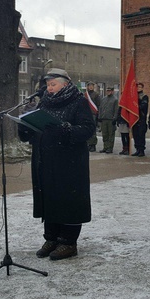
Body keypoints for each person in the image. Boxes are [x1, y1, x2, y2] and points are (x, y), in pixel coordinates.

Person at [18, 68, 95, 260]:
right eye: (48, 85)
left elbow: (88, 130)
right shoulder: (44, 102)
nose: (49, 88)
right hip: (46, 160)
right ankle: (51, 238)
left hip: (70, 162)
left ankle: (68, 242)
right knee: (50, 197)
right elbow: (40, 127)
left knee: (68, 199)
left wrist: (65, 130)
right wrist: (26, 126)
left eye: (53, 84)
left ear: (66, 84)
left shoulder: (79, 102)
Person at [98, 87, 118, 154]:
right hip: (104, 119)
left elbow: (116, 110)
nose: (108, 92)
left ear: (112, 91)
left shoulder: (115, 100)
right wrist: (99, 117)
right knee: (104, 134)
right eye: (107, 91)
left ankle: (110, 148)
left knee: (111, 135)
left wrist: (115, 118)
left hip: (110, 120)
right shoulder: (103, 99)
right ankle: (105, 147)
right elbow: (100, 108)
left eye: (110, 91)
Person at [131, 83, 149, 157]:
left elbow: (143, 106)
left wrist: (136, 104)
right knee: (135, 134)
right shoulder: (133, 96)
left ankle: (141, 150)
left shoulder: (144, 96)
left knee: (141, 135)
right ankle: (137, 149)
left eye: (140, 87)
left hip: (141, 118)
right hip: (134, 118)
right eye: (137, 87)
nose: (138, 88)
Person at [86, 82, 101, 152]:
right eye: (89, 86)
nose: (91, 87)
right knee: (87, 129)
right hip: (86, 114)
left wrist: (98, 115)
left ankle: (93, 145)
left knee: (93, 130)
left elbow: (98, 105)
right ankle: (88, 144)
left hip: (93, 114)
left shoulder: (96, 95)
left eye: (92, 86)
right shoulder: (86, 95)